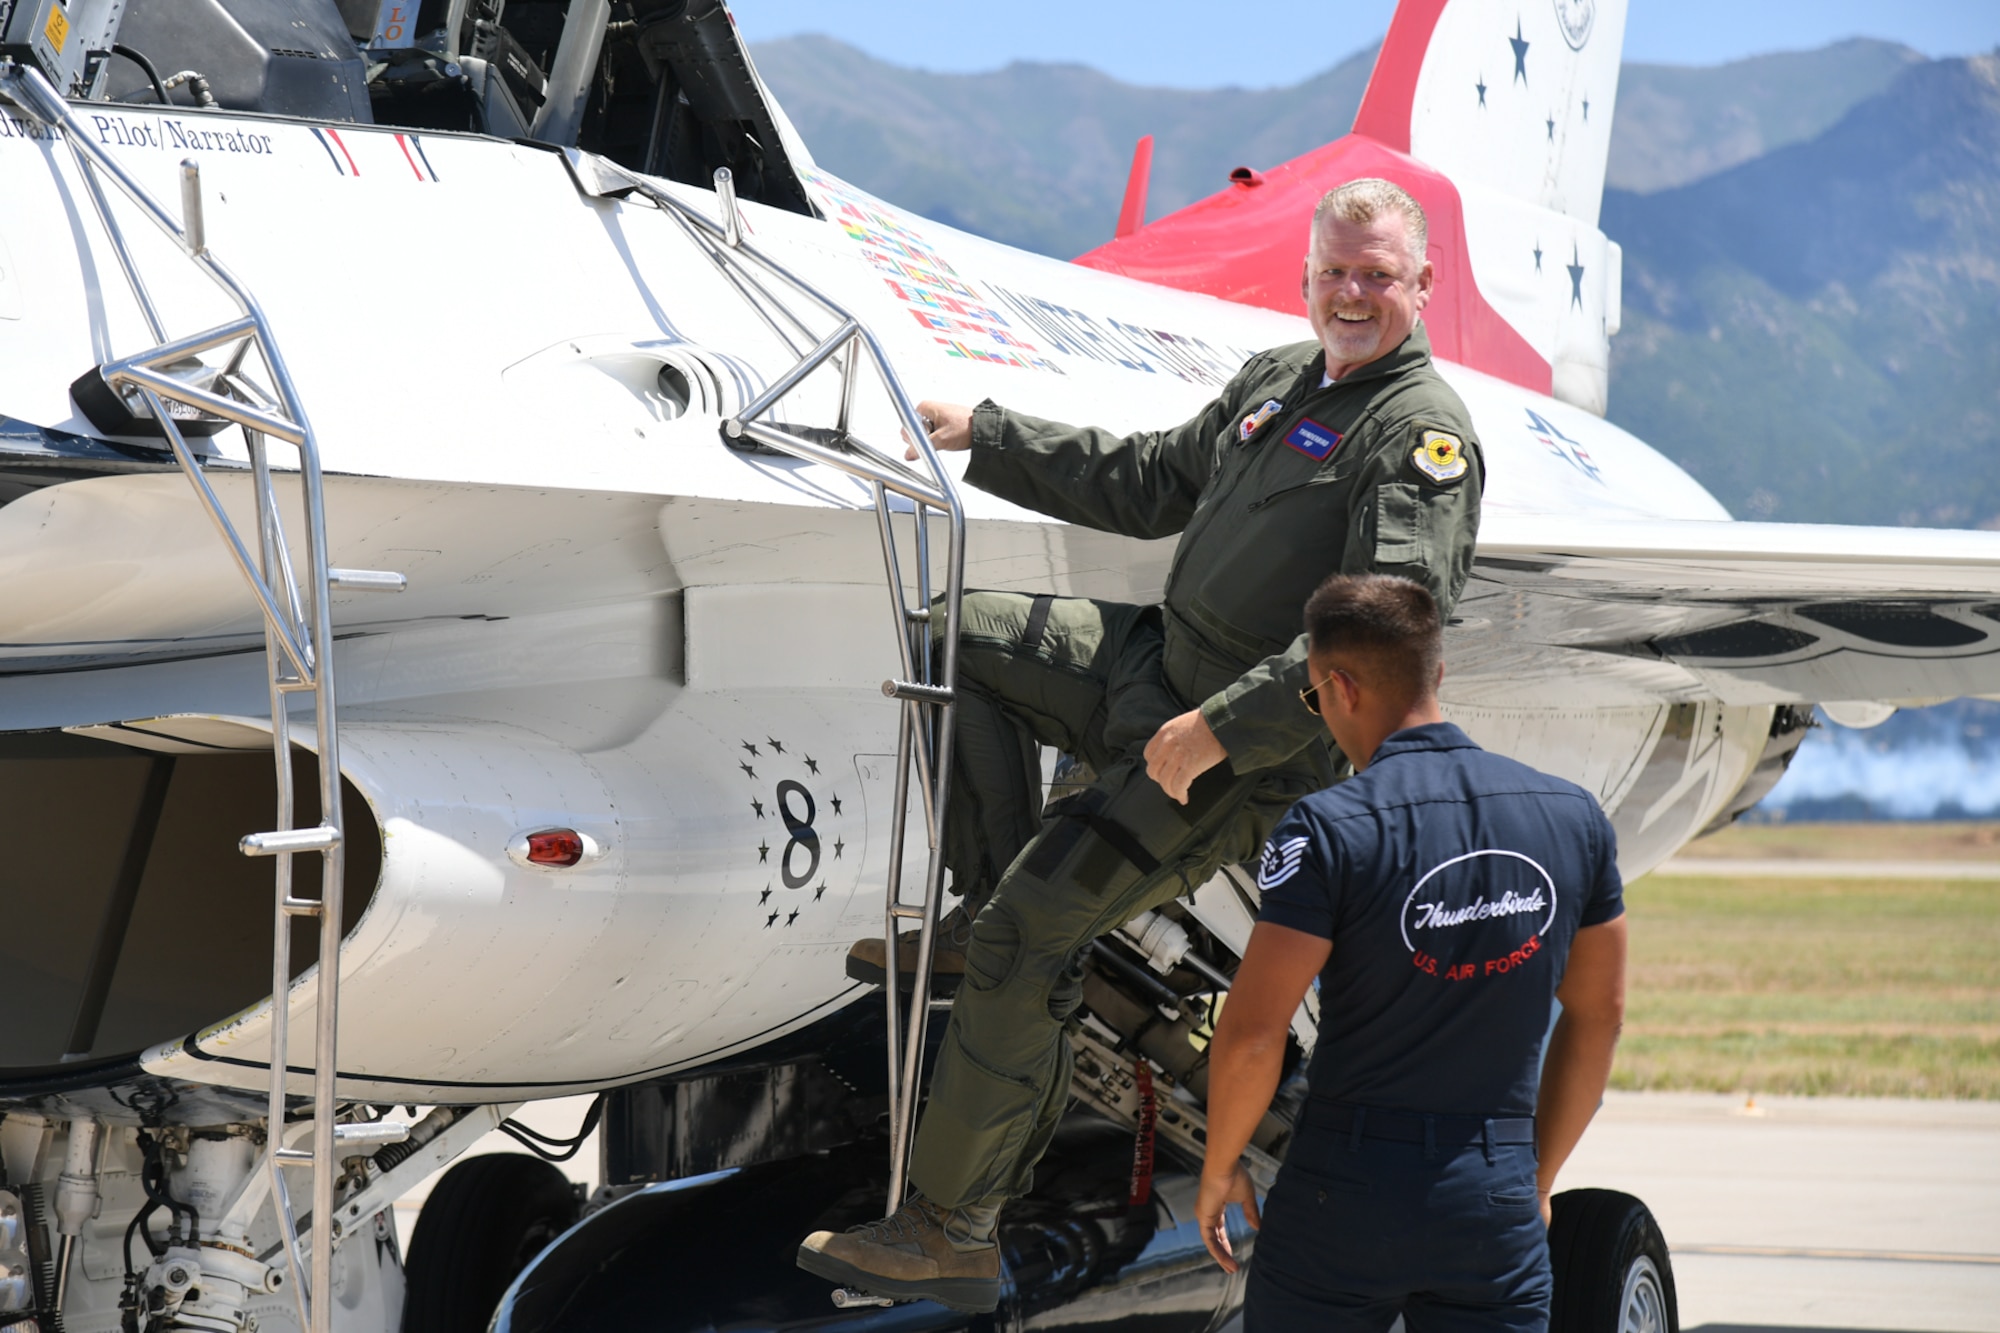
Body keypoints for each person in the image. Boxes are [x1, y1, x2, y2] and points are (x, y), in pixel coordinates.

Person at [798, 178, 1486, 1315]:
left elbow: (1380, 632)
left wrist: (1222, 727)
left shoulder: (1417, 436)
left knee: (1036, 927)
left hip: (1246, 750)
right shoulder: (1280, 378)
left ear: (1419, 286)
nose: (1351, 293)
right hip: (1154, 665)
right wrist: (986, 431)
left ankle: (951, 1225)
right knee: (950, 636)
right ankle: (994, 924)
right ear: (1307, 276)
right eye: (1333, 272)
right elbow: (1151, 479)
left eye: (1377, 275)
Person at [1195, 574, 1629, 1332]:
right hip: (1493, 1188)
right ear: (1439, 673)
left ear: (1339, 687)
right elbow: (1600, 1016)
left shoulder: (1329, 827)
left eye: (1312, 699)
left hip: (1346, 1188)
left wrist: (1220, 1164)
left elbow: (1255, 1033)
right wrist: (1538, 1175)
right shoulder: (1575, 817)